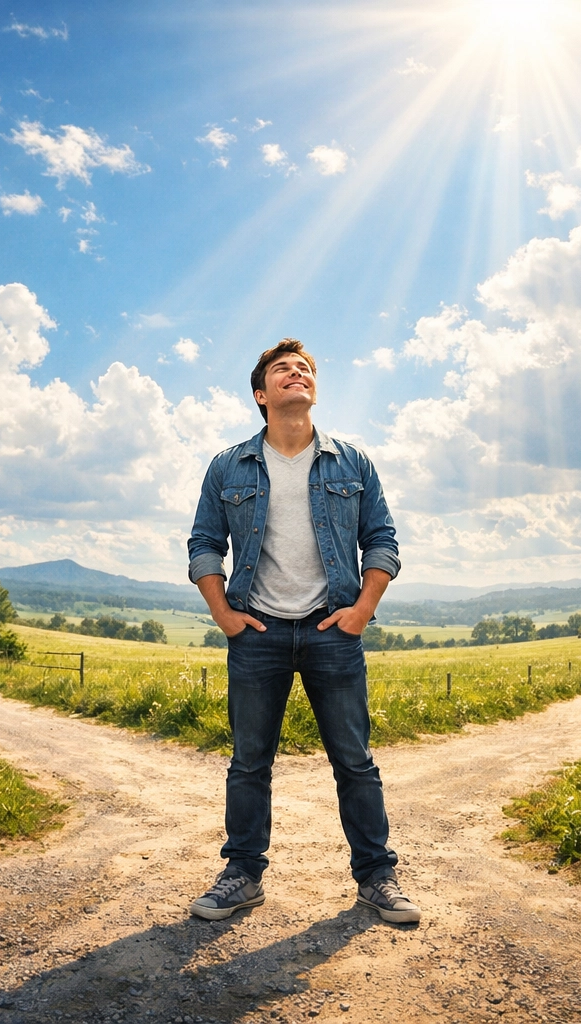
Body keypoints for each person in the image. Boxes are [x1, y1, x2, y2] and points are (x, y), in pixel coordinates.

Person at [185, 338, 420, 925]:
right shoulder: (228, 465)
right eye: (283, 370)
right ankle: (242, 875)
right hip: (256, 632)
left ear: (314, 389)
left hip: (331, 630)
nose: (298, 373)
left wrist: (362, 610)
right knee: (248, 763)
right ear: (262, 396)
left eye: (306, 368)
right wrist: (223, 613)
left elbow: (383, 539)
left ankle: (376, 877)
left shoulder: (352, 462)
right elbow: (205, 544)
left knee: (355, 761)